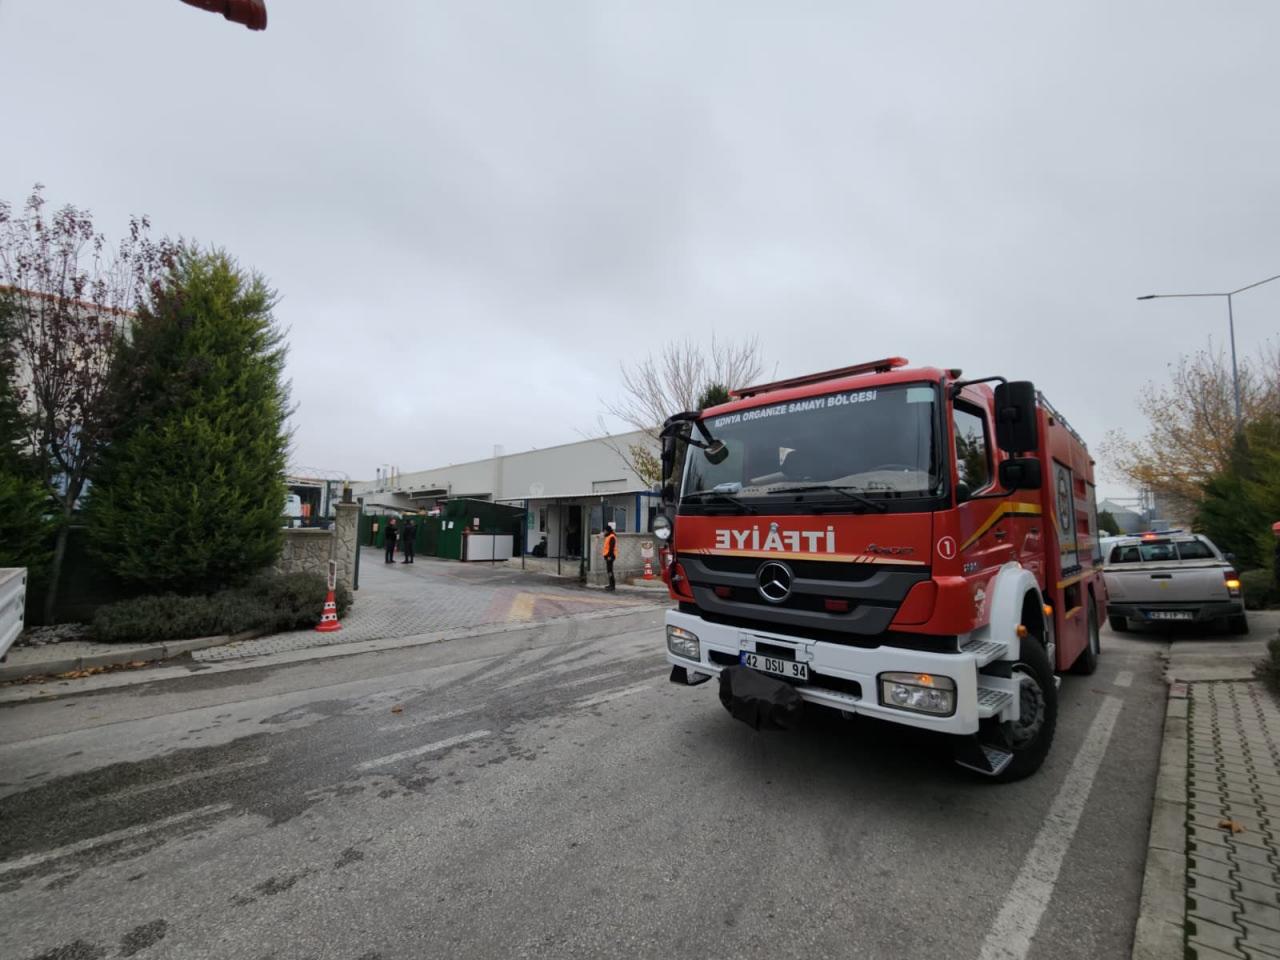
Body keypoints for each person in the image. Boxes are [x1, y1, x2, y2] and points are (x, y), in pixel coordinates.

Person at [602, 521, 618, 591]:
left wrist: (609, 556)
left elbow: (611, 548)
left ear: (607, 531)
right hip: (608, 556)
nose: (604, 532)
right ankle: (611, 584)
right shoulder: (608, 536)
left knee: (610, 571)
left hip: (610, 556)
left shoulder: (611, 537)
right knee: (609, 571)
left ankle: (612, 585)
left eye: (605, 531)